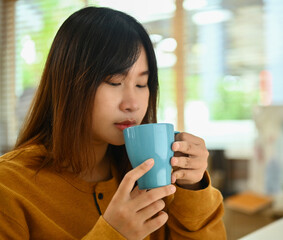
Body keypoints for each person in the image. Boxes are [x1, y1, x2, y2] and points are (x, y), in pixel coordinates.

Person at [0, 6, 226, 240]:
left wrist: (193, 188)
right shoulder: (8, 186)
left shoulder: (153, 175)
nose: (132, 104)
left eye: (141, 84)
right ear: (68, 85)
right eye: (114, 81)